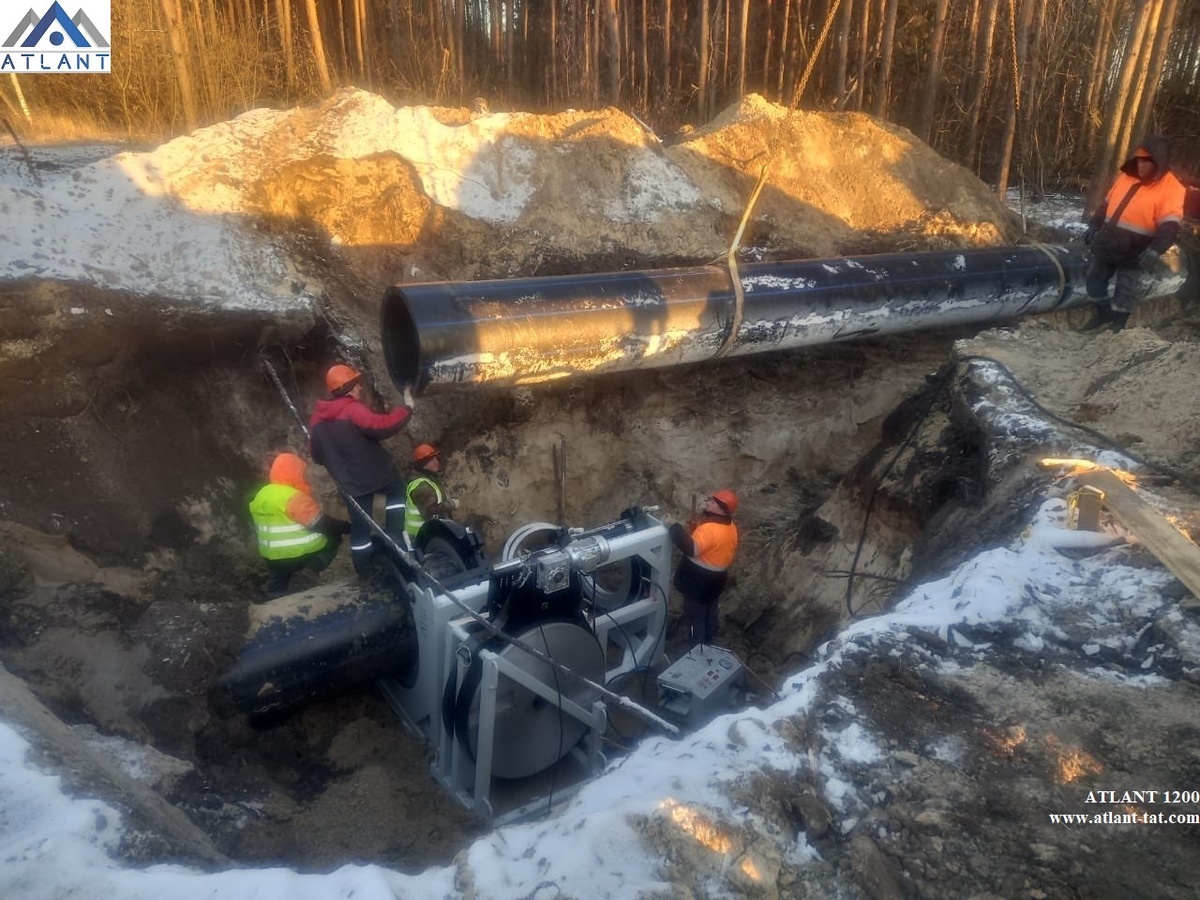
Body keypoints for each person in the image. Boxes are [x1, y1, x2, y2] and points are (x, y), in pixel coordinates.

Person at [308, 363, 414, 579]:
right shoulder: (352, 410)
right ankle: (394, 535)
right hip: (378, 475)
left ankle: (365, 573)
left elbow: (317, 457)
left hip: (351, 486)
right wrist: (408, 408)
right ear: (349, 387)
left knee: (361, 528)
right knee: (397, 490)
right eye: (356, 385)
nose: (359, 389)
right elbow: (381, 426)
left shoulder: (316, 421)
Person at [1083, 135, 1187, 333]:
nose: (1140, 165)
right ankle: (1103, 314)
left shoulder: (1172, 188)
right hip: (1109, 242)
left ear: (1158, 163)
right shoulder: (1125, 178)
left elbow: (1170, 224)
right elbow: (1106, 205)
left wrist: (1155, 250)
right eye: (1138, 160)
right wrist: (1093, 226)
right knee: (1093, 281)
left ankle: (1118, 326)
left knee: (1126, 290)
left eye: (1146, 162)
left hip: (1136, 250)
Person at [249, 452, 351, 599]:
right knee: (332, 540)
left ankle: (270, 599)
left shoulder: (261, 494)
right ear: (295, 473)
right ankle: (309, 570)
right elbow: (320, 523)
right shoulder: (293, 496)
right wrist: (344, 527)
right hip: (297, 555)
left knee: (279, 578)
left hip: (272, 557)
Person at [667, 489, 739, 645]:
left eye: (713, 502)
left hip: (698, 582)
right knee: (710, 610)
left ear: (721, 509)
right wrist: (696, 532)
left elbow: (691, 549)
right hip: (716, 582)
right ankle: (709, 639)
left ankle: (696, 648)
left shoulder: (709, 529)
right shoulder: (730, 527)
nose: (708, 503)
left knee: (695, 616)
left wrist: (674, 528)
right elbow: (714, 545)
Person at [404, 443, 458, 540]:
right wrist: (451, 504)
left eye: (436, 458)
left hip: (428, 534)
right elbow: (430, 512)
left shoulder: (429, 480)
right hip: (420, 537)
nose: (436, 462)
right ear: (423, 465)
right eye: (431, 460)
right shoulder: (421, 486)